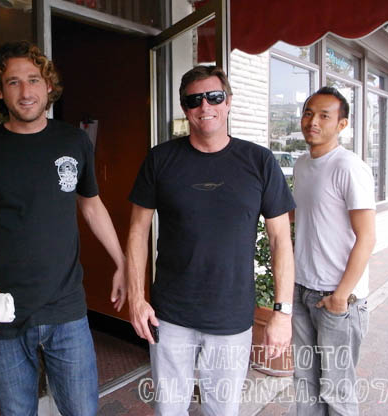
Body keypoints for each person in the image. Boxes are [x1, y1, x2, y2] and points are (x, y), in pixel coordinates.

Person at [0, 41, 126, 416]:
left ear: (48, 85)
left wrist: (122, 261)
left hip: (66, 308)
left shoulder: (74, 141)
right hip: (2, 309)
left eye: (33, 80)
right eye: (13, 82)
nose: (25, 91)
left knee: (82, 411)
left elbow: (91, 205)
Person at [126, 65, 295, 415]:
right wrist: (136, 298)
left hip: (231, 316)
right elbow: (137, 231)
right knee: (168, 409)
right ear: (185, 109)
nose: (205, 106)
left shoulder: (259, 161)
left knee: (222, 410)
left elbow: (280, 239)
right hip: (170, 315)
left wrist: (282, 313)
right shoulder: (160, 159)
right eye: (194, 100)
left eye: (214, 97)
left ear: (228, 102)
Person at [292, 87, 376, 415]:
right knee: (306, 383)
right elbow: (303, 213)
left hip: (337, 299)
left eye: (324, 116)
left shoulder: (349, 167)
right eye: (308, 113)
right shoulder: (302, 164)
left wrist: (341, 296)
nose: (313, 121)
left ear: (342, 124)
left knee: (337, 391)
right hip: (303, 290)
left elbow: (367, 237)